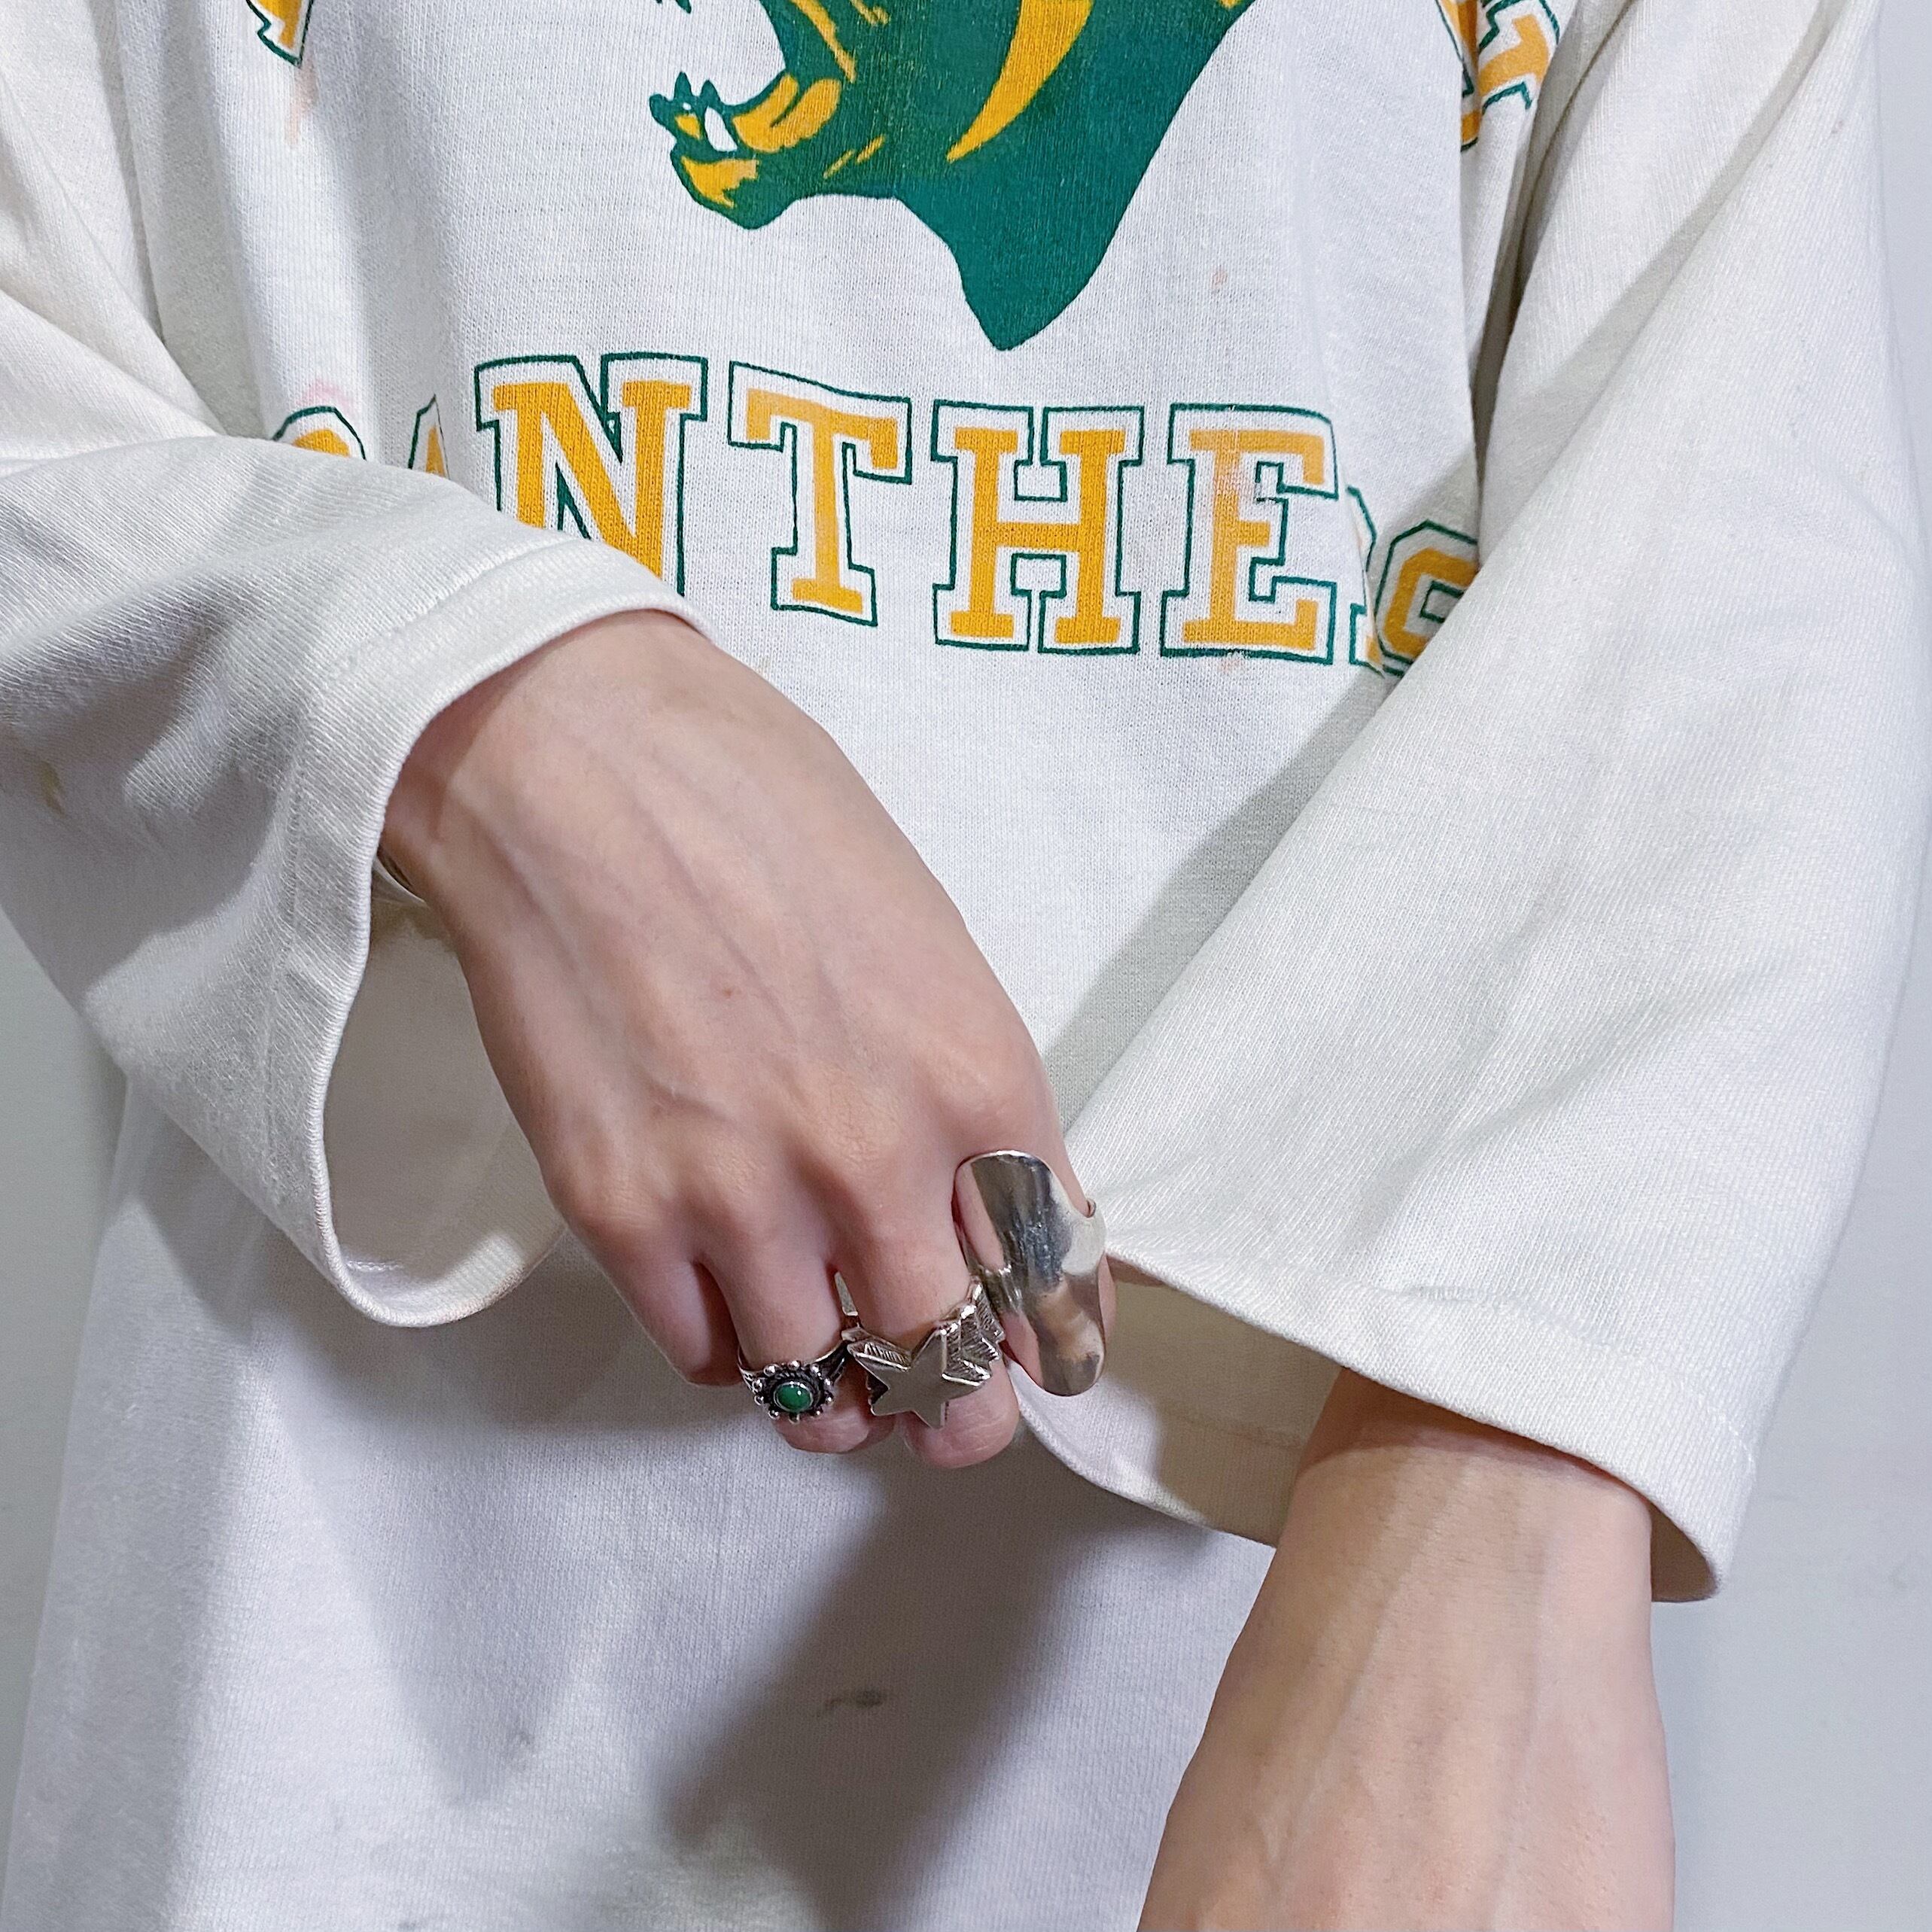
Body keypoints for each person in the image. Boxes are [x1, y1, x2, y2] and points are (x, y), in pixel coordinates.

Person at [0, 0, 1922, 1924]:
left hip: (1314, 1691)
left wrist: (1491, 1446)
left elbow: (1735, 482)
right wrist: (502, 728)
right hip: (334, 1659)